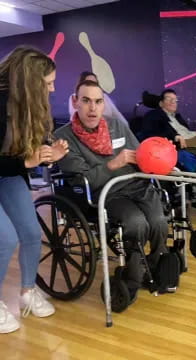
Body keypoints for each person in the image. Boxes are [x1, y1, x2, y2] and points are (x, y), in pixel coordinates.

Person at [56, 80, 168, 303]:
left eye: (98, 101)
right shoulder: (64, 137)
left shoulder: (116, 125)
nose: (92, 108)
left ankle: (155, 268)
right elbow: (83, 180)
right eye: (86, 101)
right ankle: (134, 276)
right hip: (106, 193)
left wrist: (161, 160)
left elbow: (140, 155)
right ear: (75, 102)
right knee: (137, 223)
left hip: (136, 185)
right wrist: (112, 165)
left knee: (159, 221)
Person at [0, 46, 69, 334]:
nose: (53, 89)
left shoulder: (29, 106)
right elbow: (19, 159)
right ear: (30, 82)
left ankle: (28, 291)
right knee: (5, 239)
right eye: (48, 83)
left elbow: (24, 156)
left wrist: (48, 154)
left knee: (30, 232)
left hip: (8, 174)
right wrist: (26, 161)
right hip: (7, 171)